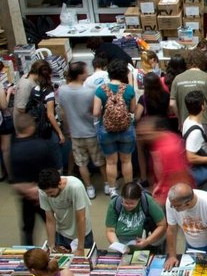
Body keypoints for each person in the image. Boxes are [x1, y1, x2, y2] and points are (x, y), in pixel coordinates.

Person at [170, 50, 207, 188]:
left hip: (187, 122)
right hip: (206, 121)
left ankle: (194, 182)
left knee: (191, 153)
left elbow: (172, 103)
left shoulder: (177, 79)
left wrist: (180, 117)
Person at [58, 61, 107, 198]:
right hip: (90, 132)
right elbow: (94, 111)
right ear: (80, 75)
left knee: (81, 163)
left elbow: (63, 111)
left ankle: (89, 188)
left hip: (75, 134)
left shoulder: (62, 90)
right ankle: (107, 185)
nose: (88, 73)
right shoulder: (89, 92)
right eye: (86, 71)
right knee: (100, 161)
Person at [11, 113, 58, 245]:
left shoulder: (13, 150)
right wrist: (38, 191)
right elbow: (54, 172)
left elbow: (14, 181)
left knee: (27, 228)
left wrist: (29, 191)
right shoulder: (43, 145)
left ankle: (28, 255)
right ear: (31, 127)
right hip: (46, 194)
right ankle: (58, 250)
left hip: (26, 198)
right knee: (53, 223)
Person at [93, 59, 136, 197]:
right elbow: (133, 109)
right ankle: (129, 188)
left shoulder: (101, 89)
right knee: (126, 160)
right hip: (126, 129)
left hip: (106, 130)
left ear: (109, 73)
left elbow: (95, 112)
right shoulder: (129, 89)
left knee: (111, 162)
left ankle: (112, 190)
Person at [164, 183, 207, 270]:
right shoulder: (171, 202)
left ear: (187, 204)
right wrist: (172, 256)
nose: (171, 207)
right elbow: (171, 230)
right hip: (191, 243)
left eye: (176, 207)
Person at [136, 117, 195, 206]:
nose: (142, 139)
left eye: (145, 134)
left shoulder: (168, 148)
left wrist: (163, 197)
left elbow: (178, 177)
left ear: (156, 131)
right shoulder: (165, 139)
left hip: (174, 196)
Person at [38, 168, 93, 256]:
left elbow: (81, 218)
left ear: (59, 183)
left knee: (85, 263)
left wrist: (80, 248)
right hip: (61, 233)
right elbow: (50, 219)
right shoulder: (43, 191)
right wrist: (51, 245)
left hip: (82, 234)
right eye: (46, 193)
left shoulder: (76, 186)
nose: (48, 196)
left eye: (51, 192)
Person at [105, 181, 166, 251]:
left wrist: (147, 241)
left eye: (132, 203)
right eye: (126, 202)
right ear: (122, 197)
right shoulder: (115, 204)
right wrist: (119, 247)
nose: (128, 206)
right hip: (122, 247)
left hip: (146, 244)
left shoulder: (147, 201)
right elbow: (110, 231)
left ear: (139, 199)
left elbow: (162, 225)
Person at [182, 91, 207, 188]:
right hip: (200, 173)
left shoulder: (187, 121)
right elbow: (190, 157)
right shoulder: (195, 132)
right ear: (202, 106)